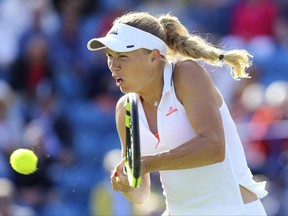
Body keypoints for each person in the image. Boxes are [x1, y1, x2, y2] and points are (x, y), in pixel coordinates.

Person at [87, 11, 268, 216]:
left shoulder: (186, 74)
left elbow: (213, 146)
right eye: (110, 56)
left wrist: (146, 164)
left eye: (122, 56)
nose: (113, 66)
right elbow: (141, 192)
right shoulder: (125, 109)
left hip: (234, 210)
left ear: (154, 57)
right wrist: (128, 184)